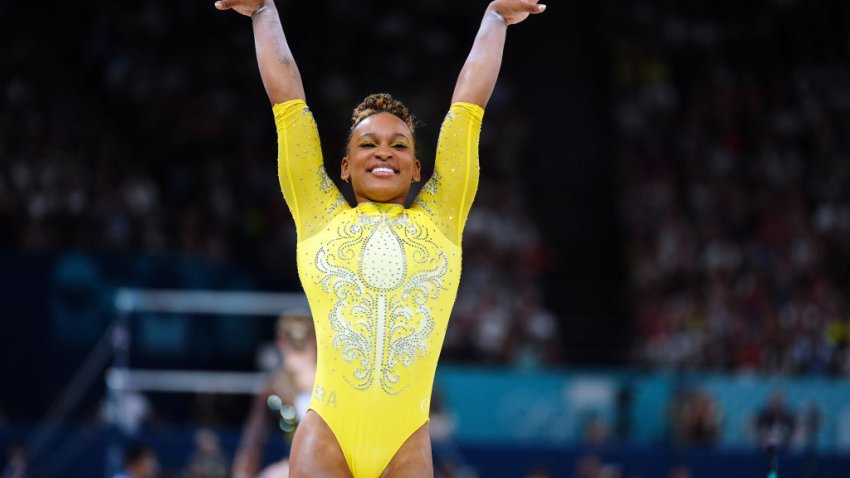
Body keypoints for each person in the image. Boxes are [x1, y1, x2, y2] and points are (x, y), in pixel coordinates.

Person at [213, 0, 546, 476]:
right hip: (326, 435)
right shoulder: (319, 215)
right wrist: (265, 13)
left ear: (416, 169)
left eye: (399, 145)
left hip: (406, 444)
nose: (382, 152)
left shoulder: (442, 219)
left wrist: (494, 21)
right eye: (366, 144)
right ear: (344, 167)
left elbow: (467, 109)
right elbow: (288, 104)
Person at [232, 311, 317, 478]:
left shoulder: (274, 387)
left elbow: (251, 446)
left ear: (280, 343)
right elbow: (251, 445)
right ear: (316, 341)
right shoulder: (275, 388)